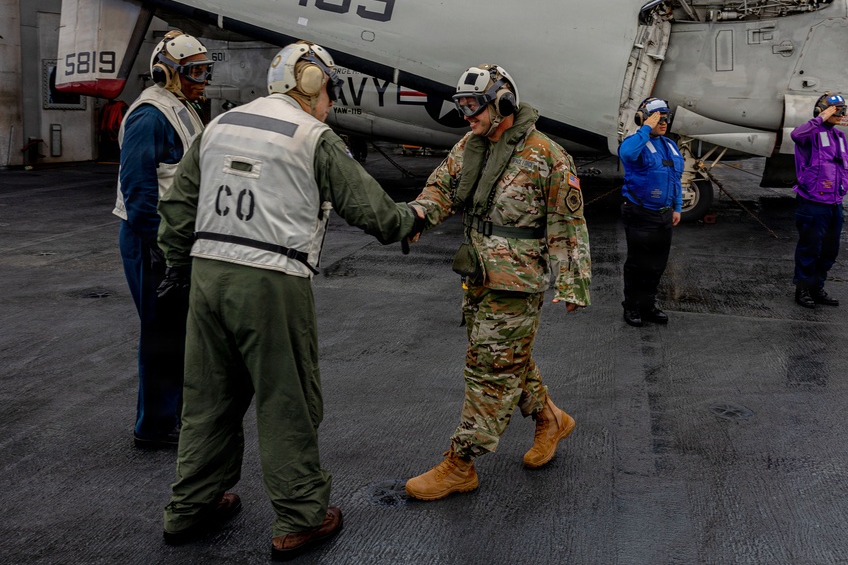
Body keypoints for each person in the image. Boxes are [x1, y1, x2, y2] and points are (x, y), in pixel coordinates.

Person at [156, 41, 423, 559]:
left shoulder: (220, 124)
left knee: (208, 399)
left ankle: (190, 507)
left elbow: (179, 204)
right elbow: (371, 210)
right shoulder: (312, 136)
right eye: (329, 87)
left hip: (208, 277)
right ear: (310, 82)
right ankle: (300, 517)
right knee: (287, 400)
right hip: (272, 281)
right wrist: (410, 220)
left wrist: (178, 265)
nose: (330, 99)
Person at [404, 64, 591, 501]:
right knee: (507, 359)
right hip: (478, 275)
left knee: (489, 371)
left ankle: (460, 463)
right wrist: (415, 217)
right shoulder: (471, 146)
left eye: (474, 106)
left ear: (503, 103)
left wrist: (572, 282)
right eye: (462, 106)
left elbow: (568, 222)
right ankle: (551, 420)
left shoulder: (548, 156)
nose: (467, 116)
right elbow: (441, 190)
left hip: (517, 282)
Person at [113, 30, 213, 449]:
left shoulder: (182, 108)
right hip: (150, 239)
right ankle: (153, 427)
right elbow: (138, 191)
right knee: (160, 332)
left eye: (206, 71)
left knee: (175, 331)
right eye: (194, 72)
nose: (202, 80)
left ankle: (170, 415)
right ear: (165, 72)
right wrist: (162, 250)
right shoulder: (149, 115)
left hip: (172, 239)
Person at [618, 97, 684, 327]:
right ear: (644, 119)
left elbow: (675, 178)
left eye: (666, 118)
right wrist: (646, 128)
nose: (663, 123)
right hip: (639, 212)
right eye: (658, 118)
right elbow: (626, 155)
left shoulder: (671, 146)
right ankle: (632, 307)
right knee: (638, 263)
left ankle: (648, 304)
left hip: (664, 215)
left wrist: (677, 207)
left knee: (657, 263)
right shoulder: (635, 143)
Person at [790, 93, 848, 308]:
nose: (840, 114)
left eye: (842, 110)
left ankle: (817, 287)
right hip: (813, 202)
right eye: (835, 110)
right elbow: (796, 135)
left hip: (834, 203)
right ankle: (803, 289)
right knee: (810, 247)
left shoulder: (840, 136)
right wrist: (820, 118)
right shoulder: (810, 134)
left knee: (830, 250)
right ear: (821, 110)